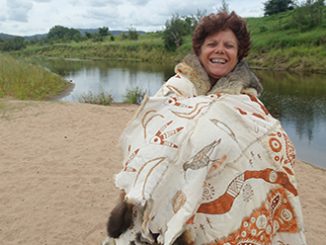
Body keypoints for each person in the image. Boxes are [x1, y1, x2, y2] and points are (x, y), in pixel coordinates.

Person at [104, 11, 307, 245]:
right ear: (199, 50)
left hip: (224, 211)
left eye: (229, 45)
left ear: (239, 53)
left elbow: (273, 151)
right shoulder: (175, 91)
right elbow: (147, 144)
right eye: (212, 44)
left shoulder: (248, 104)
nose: (220, 50)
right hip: (166, 204)